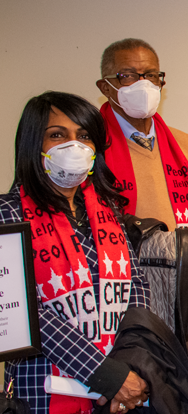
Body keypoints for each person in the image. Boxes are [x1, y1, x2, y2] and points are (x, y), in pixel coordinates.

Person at [1, 91, 151, 414]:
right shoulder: (7, 215)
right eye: (58, 135)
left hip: (117, 392)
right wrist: (107, 376)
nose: (75, 145)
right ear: (33, 145)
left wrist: (127, 366)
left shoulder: (107, 210)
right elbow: (27, 314)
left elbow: (136, 287)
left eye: (84, 136)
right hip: (43, 390)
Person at [95, 38, 188, 393]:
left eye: (151, 75)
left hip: (186, 307)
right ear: (105, 86)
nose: (143, 85)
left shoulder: (184, 144)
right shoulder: (92, 150)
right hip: (126, 314)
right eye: (128, 75)